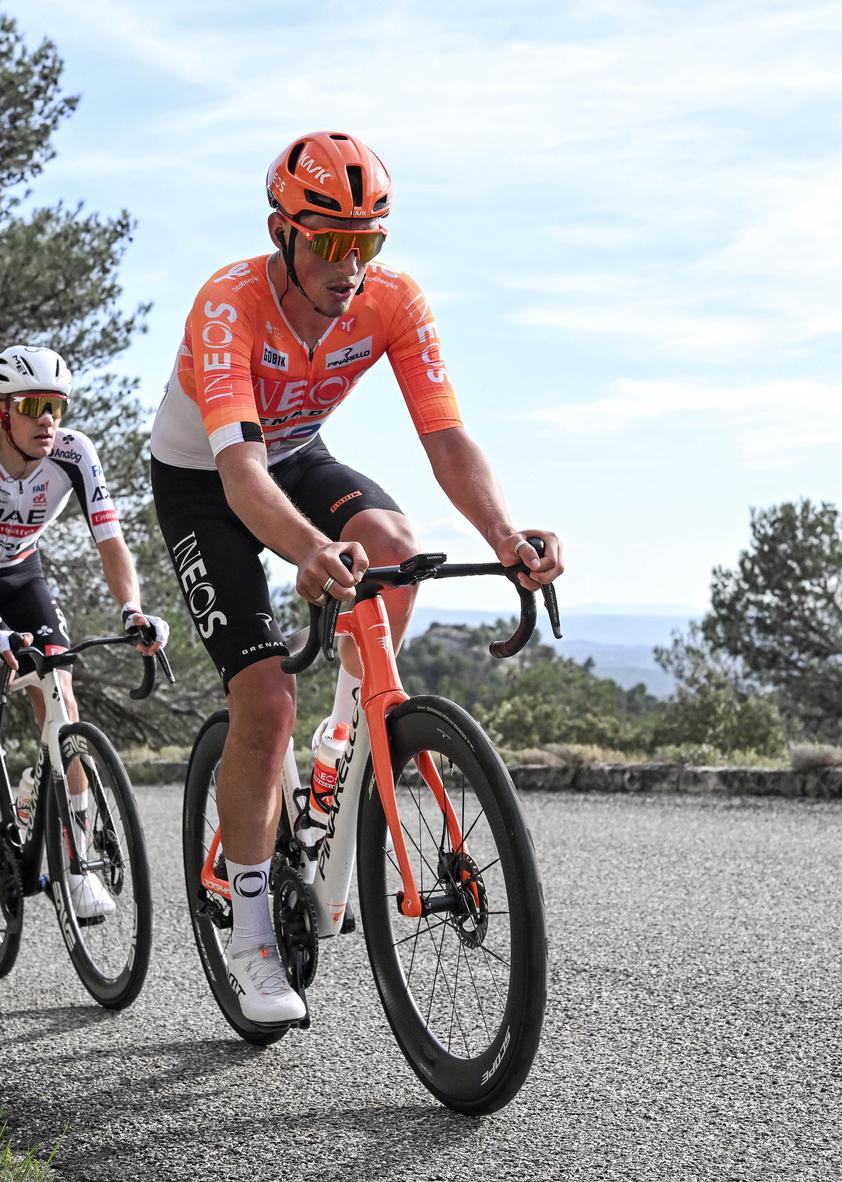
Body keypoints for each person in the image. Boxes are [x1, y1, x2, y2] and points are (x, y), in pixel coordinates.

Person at [149, 131, 564, 1024]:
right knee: (266, 702)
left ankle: (346, 736)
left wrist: (503, 533)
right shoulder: (228, 303)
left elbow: (445, 437)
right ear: (281, 232)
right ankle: (252, 938)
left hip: (295, 455)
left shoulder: (392, 299)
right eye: (330, 243)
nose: (349, 266)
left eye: (367, 242)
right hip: (207, 481)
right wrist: (307, 549)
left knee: (392, 543)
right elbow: (239, 477)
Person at [0, 344, 168, 920]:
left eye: (57, 405)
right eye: (33, 406)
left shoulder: (76, 452)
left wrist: (132, 610)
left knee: (59, 687)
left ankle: (75, 861)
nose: (48, 419)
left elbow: (111, 542)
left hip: (20, 573)